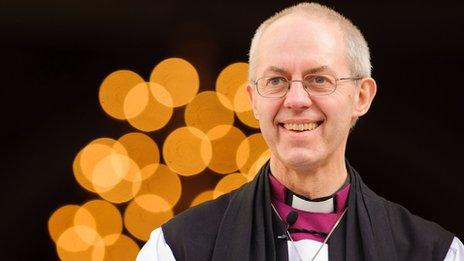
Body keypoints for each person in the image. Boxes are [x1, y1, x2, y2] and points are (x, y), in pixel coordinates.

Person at [137, 2, 463, 260]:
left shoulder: (434, 252)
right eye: (276, 80)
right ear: (253, 100)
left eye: (319, 79)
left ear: (361, 96)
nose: (295, 100)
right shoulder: (174, 249)